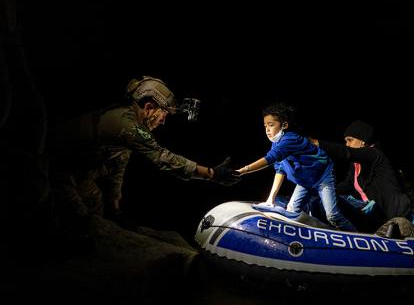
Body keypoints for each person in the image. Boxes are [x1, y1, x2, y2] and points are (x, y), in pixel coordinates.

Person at [48, 76, 240, 232]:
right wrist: (211, 173)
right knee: (84, 227)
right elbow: (163, 158)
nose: (163, 121)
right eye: (163, 114)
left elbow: (118, 164)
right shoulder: (127, 125)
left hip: (76, 172)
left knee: (96, 204)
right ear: (149, 108)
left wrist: (115, 209)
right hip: (53, 170)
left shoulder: (127, 124)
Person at [236, 102, 357, 231]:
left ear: (284, 125)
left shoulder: (290, 139)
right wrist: (270, 199)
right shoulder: (276, 144)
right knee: (292, 211)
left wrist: (243, 170)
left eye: (271, 125)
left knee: (332, 215)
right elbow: (280, 169)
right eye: (265, 125)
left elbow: (270, 158)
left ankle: (359, 237)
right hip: (305, 181)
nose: (267, 130)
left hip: (323, 177)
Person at [310, 120, 412, 232]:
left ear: (363, 141)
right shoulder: (356, 165)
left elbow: (347, 152)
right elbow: (347, 185)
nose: (347, 144)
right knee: (324, 199)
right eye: (346, 141)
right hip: (373, 216)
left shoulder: (374, 154)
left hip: (392, 217)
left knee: (336, 203)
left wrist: (317, 144)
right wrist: (320, 190)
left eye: (350, 140)